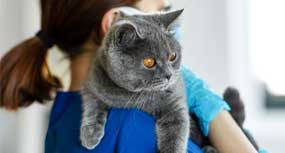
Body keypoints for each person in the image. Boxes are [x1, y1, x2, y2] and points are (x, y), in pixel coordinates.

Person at [0, 0, 259, 153]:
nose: (166, 28)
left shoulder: (62, 116)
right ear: (117, 26)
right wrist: (212, 109)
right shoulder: (134, 127)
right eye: (160, 10)